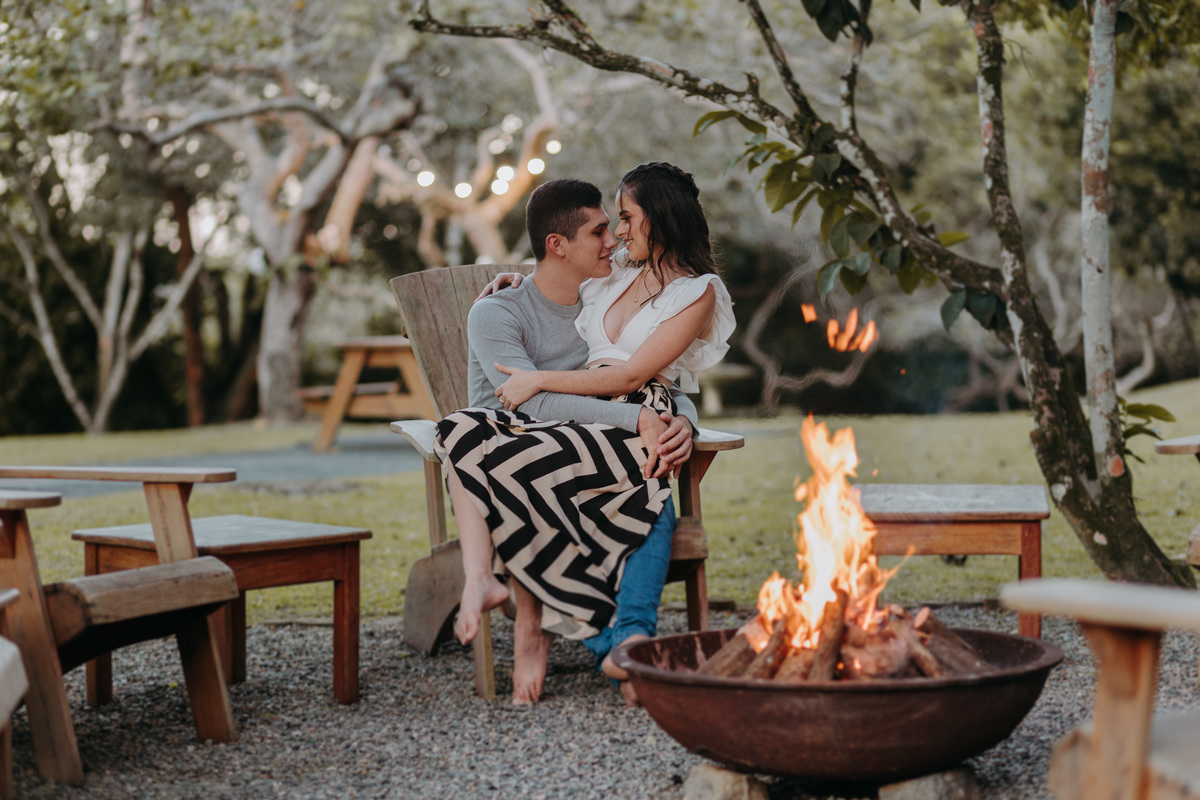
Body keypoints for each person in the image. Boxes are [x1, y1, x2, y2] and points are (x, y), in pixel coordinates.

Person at [435, 165, 734, 704]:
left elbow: (650, 377)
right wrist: (514, 283)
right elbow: (555, 292)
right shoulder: (610, 277)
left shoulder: (690, 291)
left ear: (658, 218)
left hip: (623, 418)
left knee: (646, 482)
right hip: (581, 427)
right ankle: (610, 644)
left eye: (623, 219)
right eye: (605, 226)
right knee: (465, 433)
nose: (615, 235)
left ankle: (614, 638)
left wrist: (681, 420)